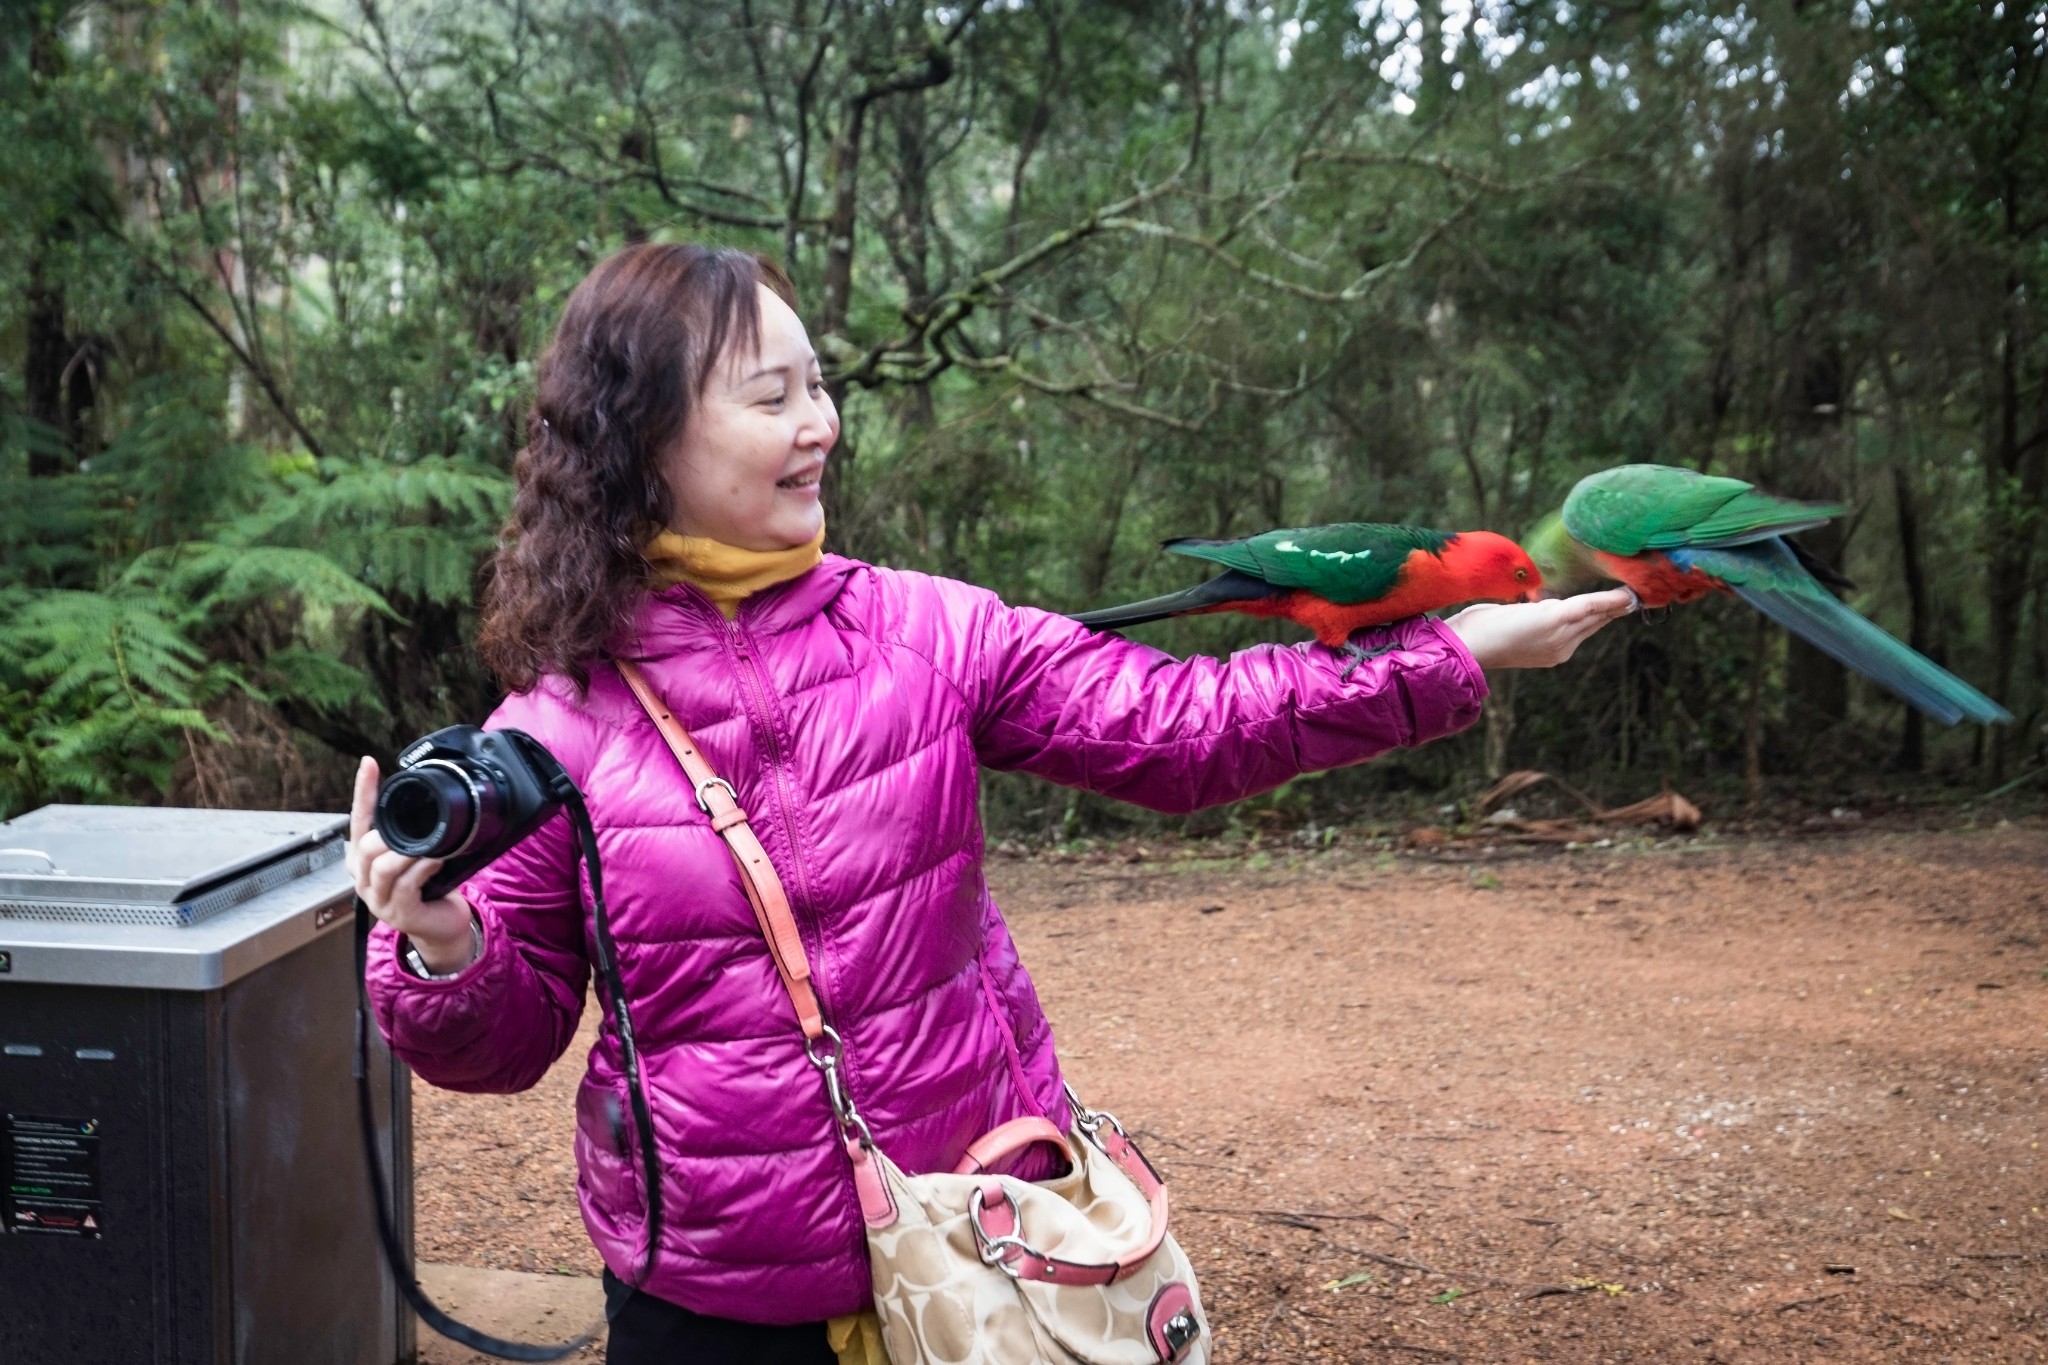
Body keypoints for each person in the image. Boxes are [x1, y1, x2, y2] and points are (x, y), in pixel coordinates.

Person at [349, 243, 1634, 1365]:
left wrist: (1449, 657)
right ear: (645, 443)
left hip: (981, 1228)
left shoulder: (928, 631)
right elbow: (499, 1046)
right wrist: (441, 946)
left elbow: (1183, 730)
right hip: (713, 1298)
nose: (822, 423)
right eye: (771, 396)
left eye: (820, 385)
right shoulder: (552, 726)